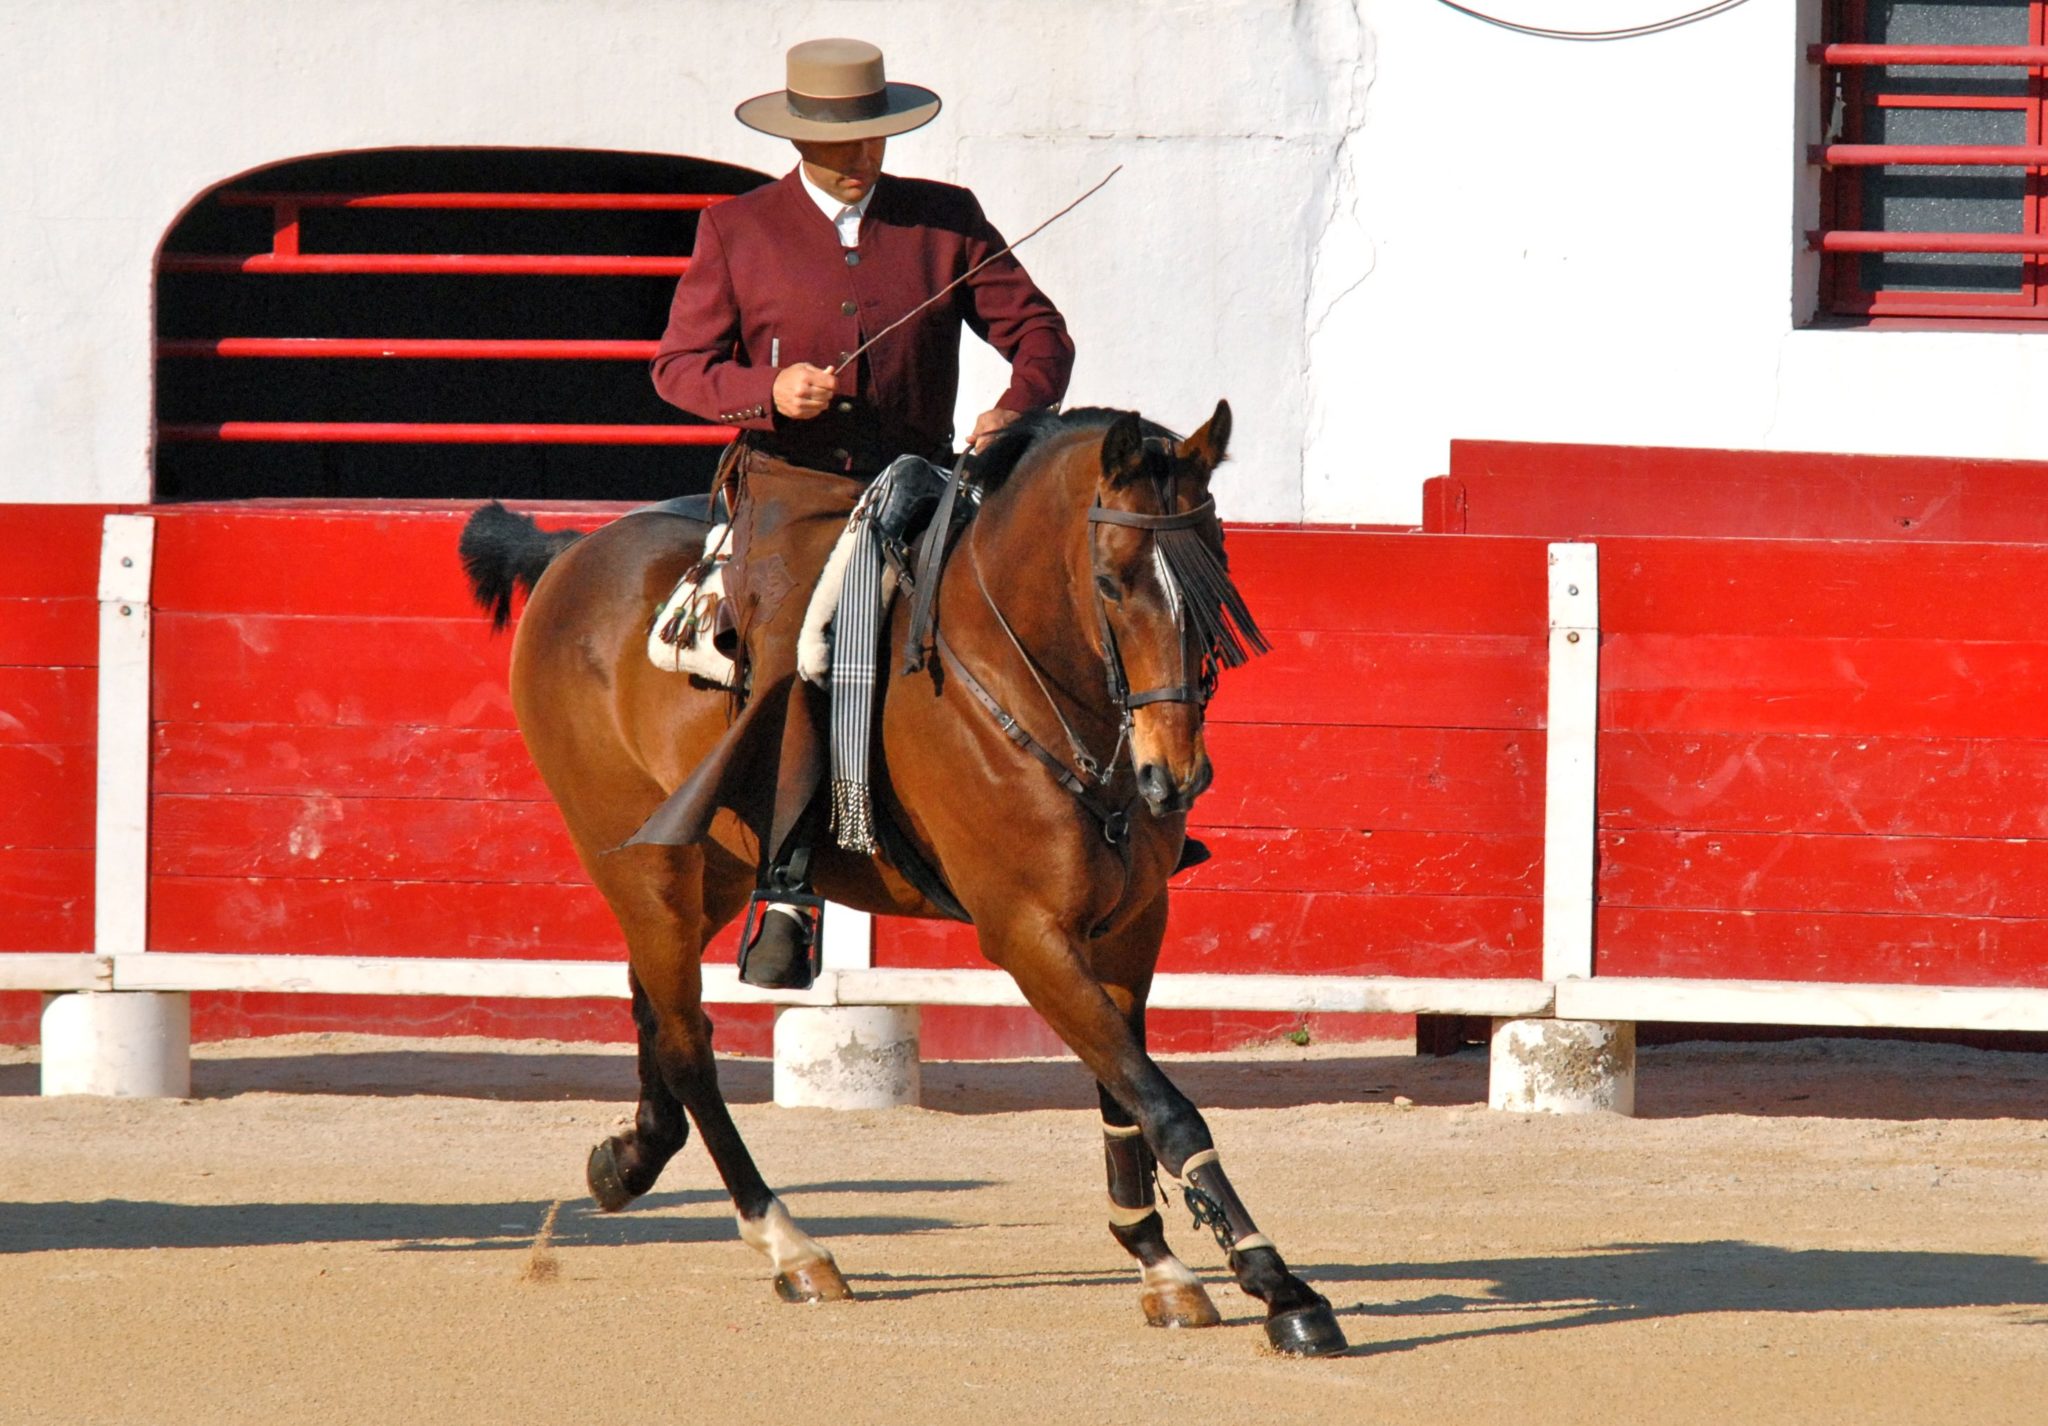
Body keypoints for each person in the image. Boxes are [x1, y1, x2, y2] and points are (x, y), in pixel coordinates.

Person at [648, 37, 1074, 989]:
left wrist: (1019, 404)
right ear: (799, 139)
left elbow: (1039, 331)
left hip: (919, 477)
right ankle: (788, 883)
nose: (860, 157)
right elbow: (677, 369)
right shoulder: (737, 227)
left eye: (873, 137)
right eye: (840, 142)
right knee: (802, 641)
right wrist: (766, 391)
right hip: (794, 491)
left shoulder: (945, 220)